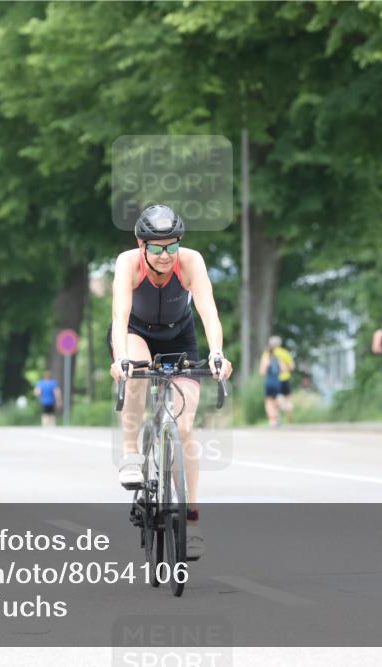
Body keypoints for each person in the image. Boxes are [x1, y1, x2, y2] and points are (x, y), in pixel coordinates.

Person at [108, 204, 233, 561]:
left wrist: (217, 354)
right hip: (135, 334)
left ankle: (191, 520)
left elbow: (208, 311)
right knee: (137, 366)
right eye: (157, 247)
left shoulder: (191, 262)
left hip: (180, 339)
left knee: (185, 427)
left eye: (172, 246)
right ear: (141, 244)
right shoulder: (127, 263)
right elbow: (119, 315)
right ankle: (131, 454)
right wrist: (120, 359)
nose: (165, 256)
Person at [259, 335, 294, 426]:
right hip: (283, 379)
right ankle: (288, 414)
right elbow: (291, 367)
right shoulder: (284, 352)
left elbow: (262, 371)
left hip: (271, 380)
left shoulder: (267, 354)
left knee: (270, 400)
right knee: (286, 399)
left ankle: (274, 419)